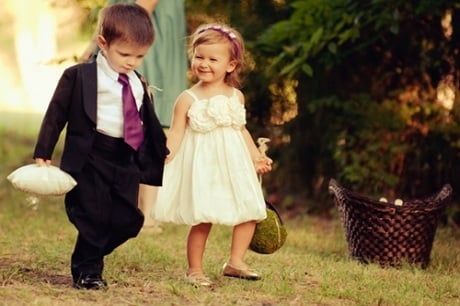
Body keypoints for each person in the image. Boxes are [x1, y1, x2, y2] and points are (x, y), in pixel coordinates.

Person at [33, 3, 168, 290]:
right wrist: (43, 151)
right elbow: (55, 114)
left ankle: (87, 253)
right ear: (103, 43)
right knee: (93, 215)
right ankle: (89, 272)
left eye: (140, 56)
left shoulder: (137, 82)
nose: (132, 62)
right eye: (125, 54)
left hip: (126, 157)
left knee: (128, 220)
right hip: (91, 155)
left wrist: (157, 151)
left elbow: (147, 121)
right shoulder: (79, 76)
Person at [152, 23, 273, 287]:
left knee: (249, 211)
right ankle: (194, 269)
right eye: (199, 56)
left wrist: (255, 157)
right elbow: (175, 133)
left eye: (212, 59)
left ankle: (236, 262)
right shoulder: (187, 99)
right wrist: (166, 153)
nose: (204, 63)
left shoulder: (236, 96)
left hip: (234, 165)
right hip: (204, 166)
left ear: (231, 65)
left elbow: (241, 129)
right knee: (203, 217)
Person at [80, 0, 188, 233]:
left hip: (139, 36)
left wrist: (124, 41)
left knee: (145, 121)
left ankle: (145, 214)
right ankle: (124, 207)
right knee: (124, 123)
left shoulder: (133, 50)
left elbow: (141, 9)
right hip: (131, 33)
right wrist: (95, 42)